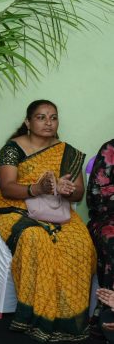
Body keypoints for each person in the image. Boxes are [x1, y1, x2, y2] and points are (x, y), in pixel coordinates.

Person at [0, 99, 95, 342]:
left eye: (53, 117)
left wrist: (67, 190)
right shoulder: (13, 148)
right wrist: (37, 189)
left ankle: (67, 319)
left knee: (80, 244)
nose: (48, 122)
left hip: (58, 212)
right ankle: (37, 317)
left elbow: (79, 194)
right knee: (35, 238)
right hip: (17, 210)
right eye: (41, 117)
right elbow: (7, 187)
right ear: (28, 122)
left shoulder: (68, 153)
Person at [87, 138, 114, 337]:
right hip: (108, 218)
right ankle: (107, 313)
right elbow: (96, 196)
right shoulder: (110, 149)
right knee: (112, 240)